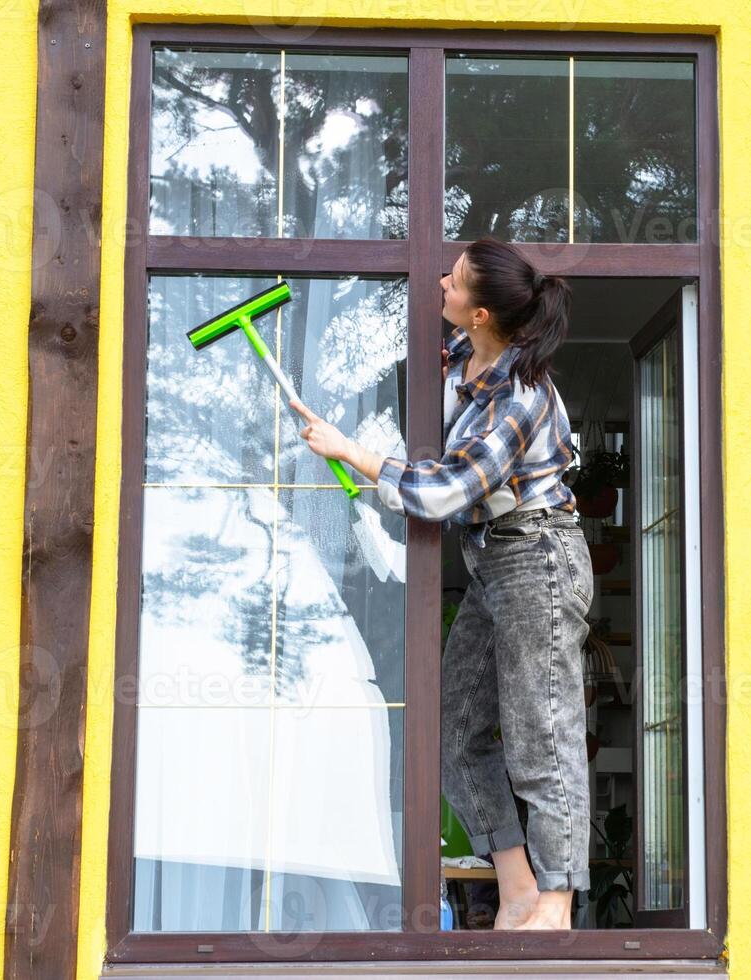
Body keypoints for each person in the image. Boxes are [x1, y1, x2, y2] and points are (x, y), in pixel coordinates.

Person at [289, 234, 594, 930]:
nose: (439, 285)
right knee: (454, 732)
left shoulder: (518, 395)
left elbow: (445, 492)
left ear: (483, 314)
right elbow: (417, 375)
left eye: (453, 282)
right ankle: (517, 889)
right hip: (492, 565)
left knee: (542, 735)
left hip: (538, 559)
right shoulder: (464, 357)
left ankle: (557, 903)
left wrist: (352, 452)